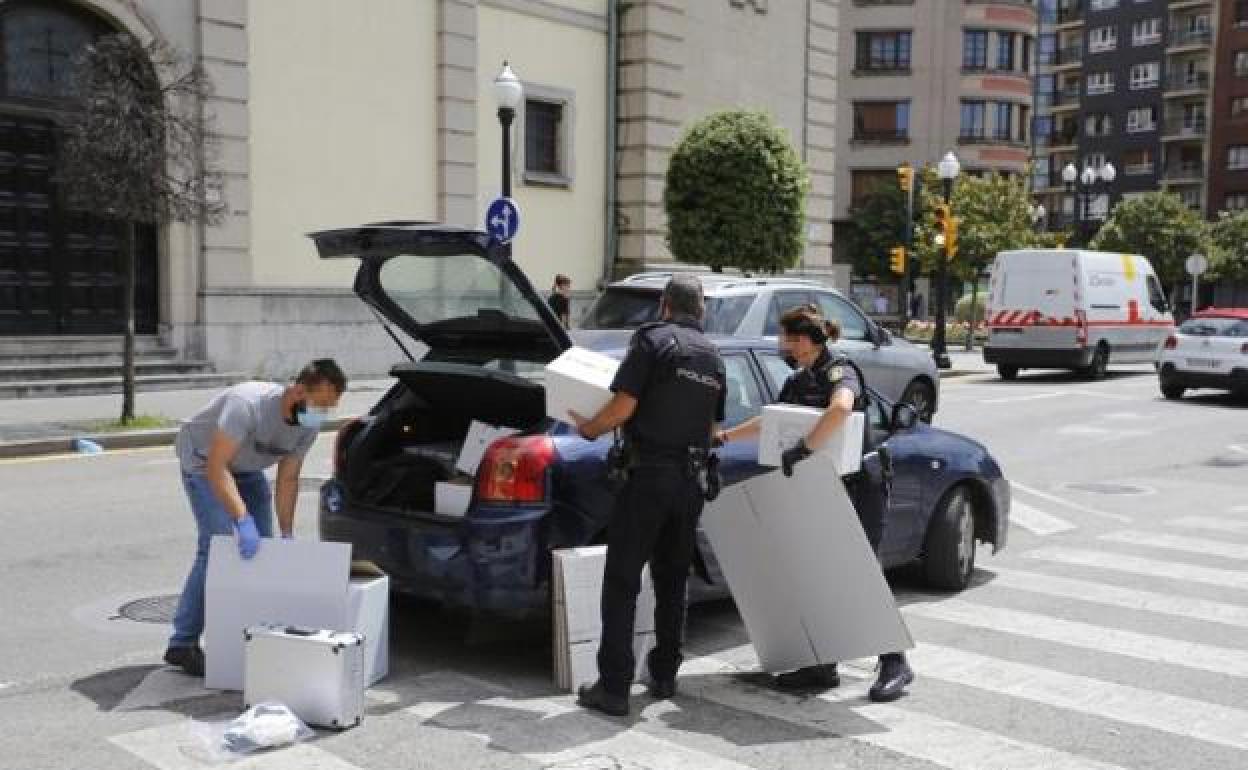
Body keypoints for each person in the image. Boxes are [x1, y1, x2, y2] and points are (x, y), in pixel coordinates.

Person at [716, 304, 914, 702]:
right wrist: (723, 438)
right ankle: (822, 664)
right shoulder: (797, 379)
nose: (781, 343)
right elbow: (770, 421)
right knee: (817, 571)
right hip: (822, 484)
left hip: (861, 483)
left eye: (785, 336)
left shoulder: (839, 370)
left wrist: (804, 447)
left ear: (803, 340)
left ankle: (895, 662)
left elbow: (840, 409)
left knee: (862, 569)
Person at [568, 275, 726, 717]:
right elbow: (712, 429)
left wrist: (589, 428)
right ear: (701, 310)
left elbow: (622, 407)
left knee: (621, 581)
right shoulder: (714, 357)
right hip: (690, 481)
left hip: (649, 477)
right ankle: (664, 675)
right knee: (673, 580)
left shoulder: (652, 341)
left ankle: (614, 687)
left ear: (664, 306)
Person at [163, 359, 348, 677]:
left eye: (328, 408)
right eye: (319, 404)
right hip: (204, 461)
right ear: (298, 390)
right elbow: (217, 469)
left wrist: (287, 534)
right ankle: (182, 643)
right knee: (217, 546)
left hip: (247, 469)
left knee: (265, 550)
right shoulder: (246, 404)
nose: (321, 414)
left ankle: (254, 635)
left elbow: (288, 479)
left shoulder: (309, 425)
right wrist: (241, 520)